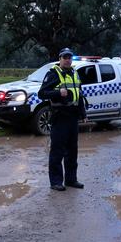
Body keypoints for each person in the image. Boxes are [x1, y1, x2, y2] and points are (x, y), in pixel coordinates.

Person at [38, 47, 88, 191]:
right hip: (59, 117)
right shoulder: (53, 74)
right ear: (60, 59)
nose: (67, 60)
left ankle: (71, 180)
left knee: (72, 151)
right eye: (64, 57)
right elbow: (42, 93)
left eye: (69, 57)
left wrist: (83, 114)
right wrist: (58, 92)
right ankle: (55, 182)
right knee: (57, 151)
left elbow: (79, 95)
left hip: (73, 117)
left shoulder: (74, 73)